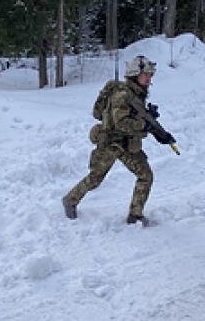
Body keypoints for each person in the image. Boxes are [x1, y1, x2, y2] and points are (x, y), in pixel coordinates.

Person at [62, 55, 176, 226]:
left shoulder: (137, 94)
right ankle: (70, 200)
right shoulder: (122, 95)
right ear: (135, 74)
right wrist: (144, 126)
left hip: (128, 145)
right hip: (110, 143)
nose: (149, 78)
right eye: (146, 74)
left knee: (145, 175)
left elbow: (138, 120)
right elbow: (121, 123)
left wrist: (160, 133)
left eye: (150, 75)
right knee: (95, 179)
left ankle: (135, 215)